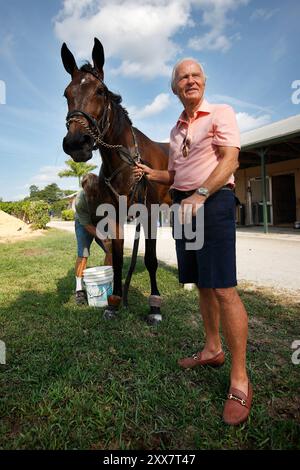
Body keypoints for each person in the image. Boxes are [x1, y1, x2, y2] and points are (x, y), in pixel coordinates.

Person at [133, 59, 252, 426]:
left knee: (224, 289)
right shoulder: (174, 130)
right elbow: (177, 173)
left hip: (211, 203)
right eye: (182, 77)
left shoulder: (220, 112)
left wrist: (200, 195)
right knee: (201, 284)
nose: (190, 80)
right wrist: (154, 173)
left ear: (204, 82)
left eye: (195, 75)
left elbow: (230, 160)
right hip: (185, 207)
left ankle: (240, 379)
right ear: (174, 88)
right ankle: (212, 349)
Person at [74, 173, 112, 305]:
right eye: (88, 193)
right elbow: (87, 225)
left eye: (93, 194)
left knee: (110, 251)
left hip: (101, 222)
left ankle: (107, 282)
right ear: (83, 189)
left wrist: (108, 239)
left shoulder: (105, 193)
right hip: (84, 224)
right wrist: (102, 236)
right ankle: (79, 288)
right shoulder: (79, 200)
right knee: (83, 254)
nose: (91, 197)